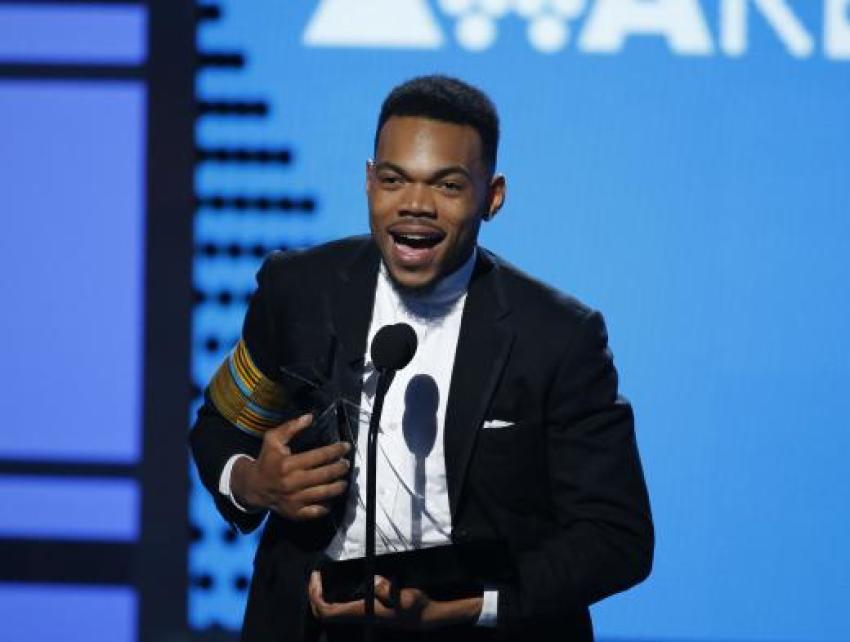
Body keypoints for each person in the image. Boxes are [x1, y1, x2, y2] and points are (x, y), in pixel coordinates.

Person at [190, 75, 653, 641]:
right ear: (368, 182)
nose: (414, 205)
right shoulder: (298, 292)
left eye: (448, 186)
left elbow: (615, 538)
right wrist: (253, 482)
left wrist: (463, 608)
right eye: (393, 180)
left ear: (492, 196)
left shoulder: (557, 337)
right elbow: (218, 428)